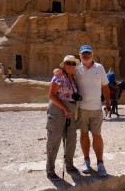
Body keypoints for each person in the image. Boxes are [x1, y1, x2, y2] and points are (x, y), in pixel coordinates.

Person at [54, 45, 111, 177]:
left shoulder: (100, 67)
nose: (86, 55)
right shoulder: (76, 68)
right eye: (83, 54)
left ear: (92, 54)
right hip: (81, 109)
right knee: (84, 135)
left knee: (97, 136)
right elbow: (64, 71)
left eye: (88, 53)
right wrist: (56, 70)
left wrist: (108, 103)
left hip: (96, 108)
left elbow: (105, 86)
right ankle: (86, 160)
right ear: (79, 55)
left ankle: (100, 163)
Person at [46, 55, 80, 181]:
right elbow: (51, 95)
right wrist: (64, 109)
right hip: (58, 109)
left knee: (71, 138)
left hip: (70, 110)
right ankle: (50, 170)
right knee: (55, 139)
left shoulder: (74, 77)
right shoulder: (59, 76)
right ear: (64, 65)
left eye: (73, 63)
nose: (71, 65)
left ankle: (69, 165)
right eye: (68, 63)